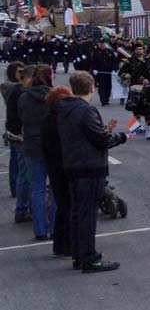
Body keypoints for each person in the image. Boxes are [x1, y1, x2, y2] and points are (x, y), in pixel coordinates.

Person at [58, 71, 128, 273]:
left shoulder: (65, 108)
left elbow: (86, 135)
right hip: (89, 167)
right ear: (91, 88)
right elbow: (101, 141)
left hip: (73, 164)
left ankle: (79, 255)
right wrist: (120, 137)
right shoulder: (86, 110)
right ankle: (90, 258)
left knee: (78, 213)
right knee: (88, 215)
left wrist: (103, 130)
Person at [18, 64, 56, 241]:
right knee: (56, 189)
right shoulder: (55, 96)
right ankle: (56, 226)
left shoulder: (24, 97)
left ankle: (40, 229)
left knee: (37, 188)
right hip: (52, 145)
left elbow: (21, 119)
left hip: (32, 145)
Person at [42, 85, 74, 258]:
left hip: (56, 167)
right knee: (67, 207)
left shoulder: (50, 118)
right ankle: (66, 244)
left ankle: (60, 244)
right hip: (62, 167)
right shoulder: (56, 121)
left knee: (63, 207)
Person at [5, 62, 32, 223]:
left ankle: (23, 205)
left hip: (20, 135)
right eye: (19, 71)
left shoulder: (20, 91)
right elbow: (17, 117)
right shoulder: (17, 92)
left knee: (24, 172)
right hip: (20, 137)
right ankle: (22, 208)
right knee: (25, 174)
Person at [90, 37, 118, 106]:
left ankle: (107, 98)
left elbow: (114, 61)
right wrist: (94, 69)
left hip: (108, 72)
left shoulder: (110, 52)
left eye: (103, 44)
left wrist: (115, 69)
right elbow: (92, 62)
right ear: (98, 44)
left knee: (108, 86)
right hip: (100, 72)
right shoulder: (95, 52)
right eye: (100, 43)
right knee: (102, 86)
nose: (102, 45)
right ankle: (103, 100)